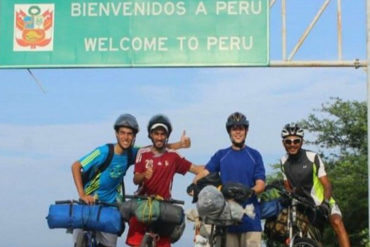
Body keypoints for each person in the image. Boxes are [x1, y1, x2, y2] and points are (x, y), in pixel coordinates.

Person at [71, 113, 190, 247]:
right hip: (89, 202)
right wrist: (82, 195)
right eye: (122, 133)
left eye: (129, 134)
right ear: (116, 134)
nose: (126, 137)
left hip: (111, 206)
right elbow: (76, 166)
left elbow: (157, 147)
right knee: (80, 240)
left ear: (134, 137)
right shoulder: (103, 152)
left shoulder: (132, 153)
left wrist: (180, 144)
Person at [126, 114, 204, 247]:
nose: (159, 137)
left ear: (167, 136)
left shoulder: (173, 156)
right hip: (142, 201)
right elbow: (135, 179)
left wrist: (214, 168)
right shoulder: (143, 153)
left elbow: (196, 169)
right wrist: (144, 175)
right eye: (156, 133)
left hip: (164, 204)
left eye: (163, 134)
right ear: (150, 135)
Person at [196, 112, 266, 247]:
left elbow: (261, 184)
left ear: (246, 131)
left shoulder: (255, 155)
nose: (238, 132)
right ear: (229, 131)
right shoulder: (221, 155)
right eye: (234, 128)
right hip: (227, 220)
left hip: (250, 220)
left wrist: (250, 192)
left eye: (241, 128)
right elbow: (205, 172)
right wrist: (194, 184)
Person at [280, 123, 351, 247]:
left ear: (302, 142)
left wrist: (326, 202)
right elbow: (287, 186)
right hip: (303, 206)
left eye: (296, 141)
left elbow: (327, 185)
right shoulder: (283, 161)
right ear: (283, 143)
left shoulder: (312, 157)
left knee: (337, 222)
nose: (292, 144)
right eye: (288, 142)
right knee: (296, 239)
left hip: (322, 202)